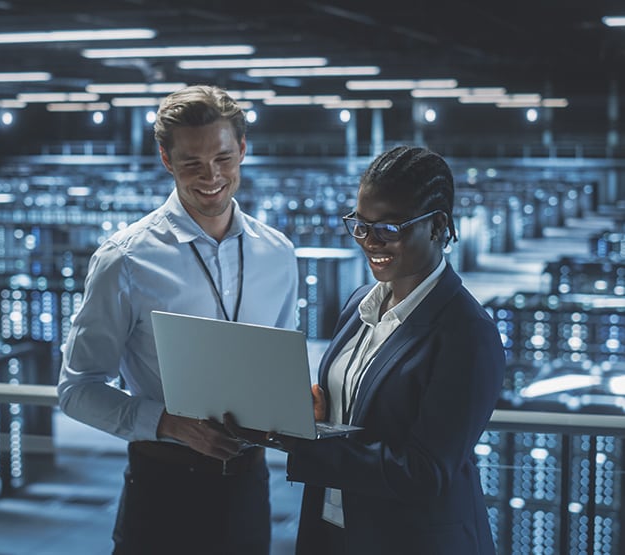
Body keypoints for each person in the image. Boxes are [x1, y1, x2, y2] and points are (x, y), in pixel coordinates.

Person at [57, 84, 298, 555]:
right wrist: (169, 423)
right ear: (167, 160)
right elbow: (76, 390)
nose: (211, 176)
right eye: (191, 163)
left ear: (243, 149)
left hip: (250, 485)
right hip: (162, 488)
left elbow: (279, 366)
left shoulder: (278, 254)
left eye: (224, 158)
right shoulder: (125, 260)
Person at [227, 145, 505, 554]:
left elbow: (424, 472)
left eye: (389, 228)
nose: (370, 241)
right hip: (335, 528)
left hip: (410, 541)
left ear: (436, 226)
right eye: (360, 225)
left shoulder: (466, 333)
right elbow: (357, 413)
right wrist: (307, 417)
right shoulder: (361, 304)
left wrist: (301, 444)